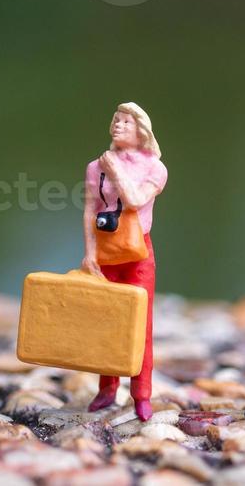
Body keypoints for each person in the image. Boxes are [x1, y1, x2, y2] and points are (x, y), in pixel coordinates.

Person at [81, 102, 167, 422]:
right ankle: (107, 388)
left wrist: (115, 170)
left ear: (141, 131)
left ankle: (141, 394)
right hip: (106, 251)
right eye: (116, 120)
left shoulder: (155, 168)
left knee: (140, 325)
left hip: (138, 254)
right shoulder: (94, 167)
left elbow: (134, 201)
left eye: (126, 122)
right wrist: (90, 253)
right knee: (107, 321)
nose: (118, 125)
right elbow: (91, 210)